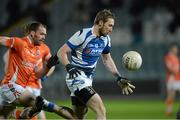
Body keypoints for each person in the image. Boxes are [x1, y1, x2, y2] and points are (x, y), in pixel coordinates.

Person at [57, 9, 135, 119]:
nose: (111, 29)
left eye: (112, 26)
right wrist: (68, 66)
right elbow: (61, 52)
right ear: (100, 23)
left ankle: (48, 106)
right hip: (77, 77)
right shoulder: (83, 34)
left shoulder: (106, 39)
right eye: (110, 25)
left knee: (78, 117)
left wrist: (118, 77)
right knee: (101, 110)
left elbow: (107, 59)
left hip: (88, 80)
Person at [0, 22, 76, 119]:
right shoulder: (19, 42)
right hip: (10, 86)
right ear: (32, 33)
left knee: (5, 116)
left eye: (45, 34)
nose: (44, 37)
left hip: (21, 88)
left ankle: (25, 114)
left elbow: (39, 75)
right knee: (39, 102)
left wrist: (48, 67)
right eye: (41, 34)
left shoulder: (41, 49)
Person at [164, 43, 180, 116]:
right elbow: (169, 67)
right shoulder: (168, 57)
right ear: (172, 49)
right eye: (175, 49)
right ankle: (169, 110)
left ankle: (169, 110)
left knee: (171, 95)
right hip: (171, 78)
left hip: (178, 78)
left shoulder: (176, 58)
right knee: (171, 95)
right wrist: (174, 72)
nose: (176, 50)